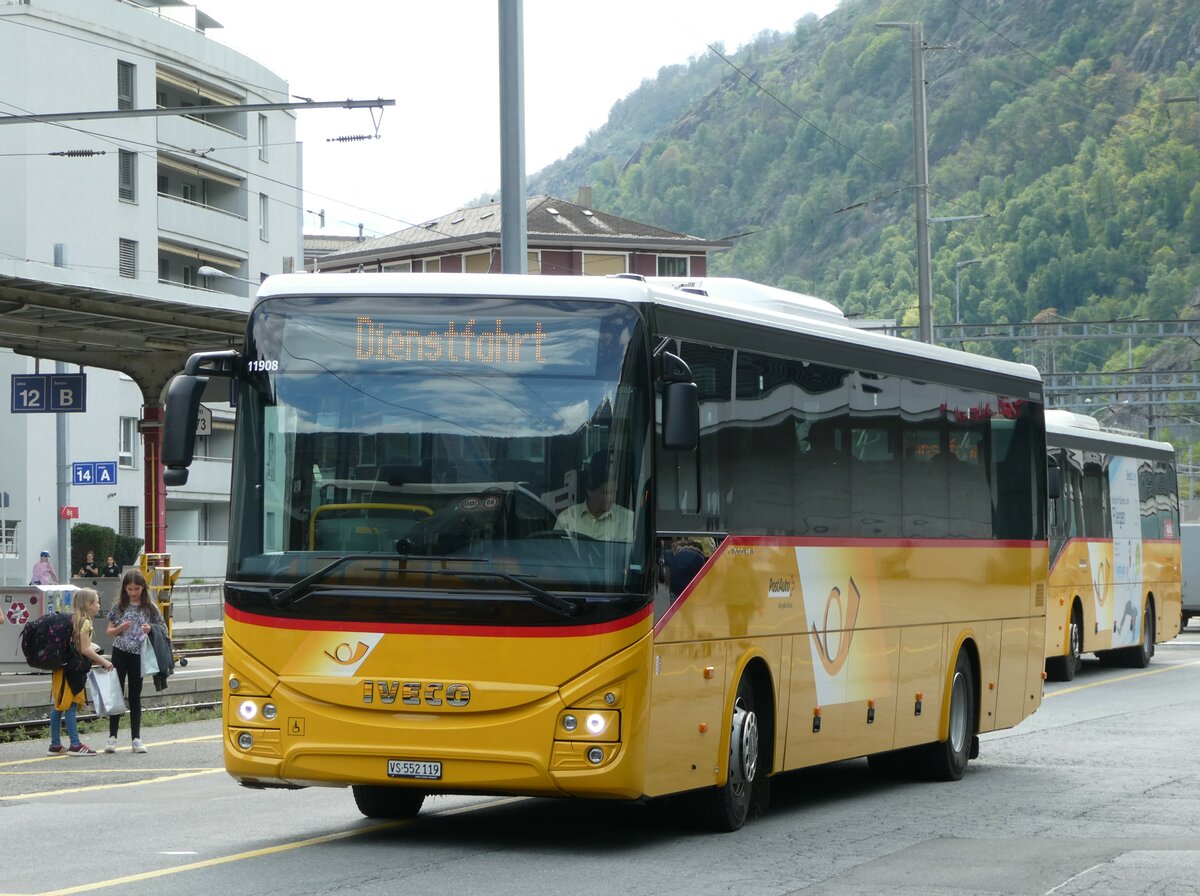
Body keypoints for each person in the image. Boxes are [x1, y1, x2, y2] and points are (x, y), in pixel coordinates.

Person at [48, 588, 113, 756]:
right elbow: (84, 649)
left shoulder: (71, 620)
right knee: (70, 705)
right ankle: (75, 745)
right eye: (97, 602)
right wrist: (103, 661)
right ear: (88, 605)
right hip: (71, 671)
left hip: (61, 669)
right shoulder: (84, 622)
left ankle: (55, 744)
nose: (99, 605)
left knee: (59, 705)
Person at [104, 569, 162, 754]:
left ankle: (136, 738)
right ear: (124, 589)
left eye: (136, 589)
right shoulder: (119, 607)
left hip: (139, 654)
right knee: (117, 693)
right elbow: (109, 632)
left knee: (135, 696)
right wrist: (120, 627)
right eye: (129, 589)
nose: (133, 593)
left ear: (143, 588)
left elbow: (162, 627)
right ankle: (112, 737)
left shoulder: (150, 607)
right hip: (120, 651)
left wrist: (150, 628)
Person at [554, 451, 635, 541]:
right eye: (606, 493)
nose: (612, 498)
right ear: (589, 491)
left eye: (614, 492)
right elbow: (555, 552)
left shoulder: (629, 521)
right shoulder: (566, 520)